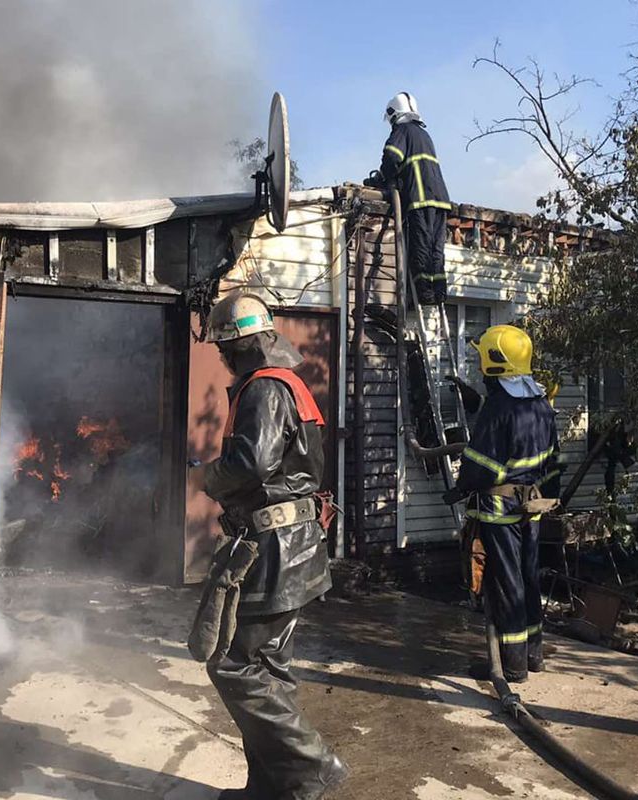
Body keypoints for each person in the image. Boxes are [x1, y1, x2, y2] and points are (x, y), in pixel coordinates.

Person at [200, 292, 348, 800]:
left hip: (274, 549)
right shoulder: (289, 384)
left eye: (224, 348)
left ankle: (312, 765)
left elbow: (251, 464)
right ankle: (273, 788)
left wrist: (209, 479)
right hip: (297, 544)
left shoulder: (264, 389)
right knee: (269, 667)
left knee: (233, 664)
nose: (221, 358)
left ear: (241, 347)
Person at [453, 324, 560, 682]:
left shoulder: (499, 408)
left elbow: (483, 465)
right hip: (531, 508)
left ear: (493, 362)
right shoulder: (540, 403)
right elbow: (543, 453)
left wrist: (458, 487)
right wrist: (476, 404)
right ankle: (533, 654)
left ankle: (512, 666)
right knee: (528, 578)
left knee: (507, 582)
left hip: (499, 513)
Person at [364, 91, 452, 305]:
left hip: (420, 198)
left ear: (394, 115)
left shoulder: (402, 131)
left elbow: (392, 157)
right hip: (441, 200)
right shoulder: (424, 135)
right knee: (436, 248)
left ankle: (424, 292)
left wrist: (381, 179)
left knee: (421, 244)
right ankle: (438, 291)